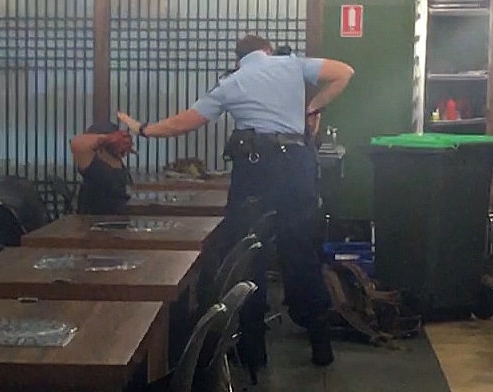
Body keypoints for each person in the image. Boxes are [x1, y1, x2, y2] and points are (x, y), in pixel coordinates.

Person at [117, 34, 354, 367]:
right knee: (300, 249)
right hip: (297, 164)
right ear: (267, 50)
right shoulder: (291, 64)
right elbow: (345, 71)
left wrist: (143, 129)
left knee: (248, 252)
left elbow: (183, 122)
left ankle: (253, 349)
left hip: (256, 168)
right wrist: (311, 109)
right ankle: (319, 340)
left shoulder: (232, 83)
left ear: (239, 57)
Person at [70, 121, 134, 215]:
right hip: (94, 222)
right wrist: (106, 138)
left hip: (116, 219)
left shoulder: (116, 161)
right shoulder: (91, 161)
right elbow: (76, 143)